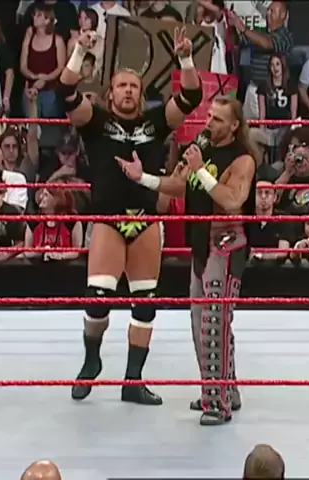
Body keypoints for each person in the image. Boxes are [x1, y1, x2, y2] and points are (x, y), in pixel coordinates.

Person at [56, 27, 202, 405]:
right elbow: (65, 91)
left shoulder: (154, 123)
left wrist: (186, 58)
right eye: (121, 85)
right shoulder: (96, 122)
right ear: (110, 93)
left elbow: (192, 96)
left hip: (146, 221)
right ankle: (91, 361)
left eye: (133, 87)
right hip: (109, 218)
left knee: (145, 302)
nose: (127, 91)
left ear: (140, 93)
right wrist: (79, 52)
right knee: (97, 298)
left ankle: (133, 381)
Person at [118, 97, 257, 425]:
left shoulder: (243, 159)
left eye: (218, 119)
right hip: (200, 244)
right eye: (209, 116)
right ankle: (226, 390)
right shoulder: (201, 150)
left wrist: (200, 171)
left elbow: (233, 200)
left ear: (234, 126)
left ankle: (217, 403)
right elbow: (177, 188)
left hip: (226, 244)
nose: (210, 123)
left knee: (214, 323)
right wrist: (143, 178)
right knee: (201, 324)